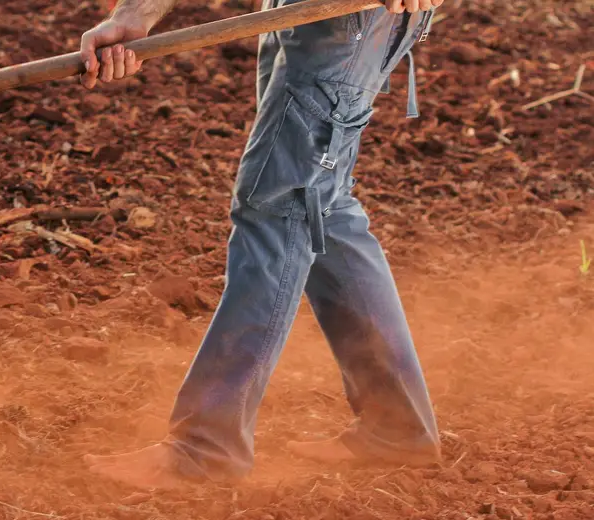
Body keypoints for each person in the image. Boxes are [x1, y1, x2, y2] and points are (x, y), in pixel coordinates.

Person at [78, 0, 445, 489]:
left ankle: (205, 450)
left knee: (278, 206)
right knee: (320, 206)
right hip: (300, 15)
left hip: (349, 17)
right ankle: (396, 425)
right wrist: (135, 15)